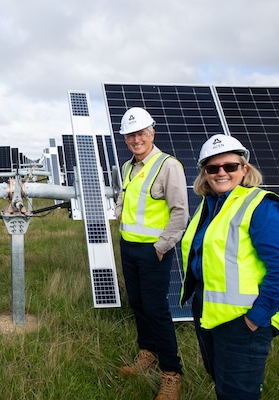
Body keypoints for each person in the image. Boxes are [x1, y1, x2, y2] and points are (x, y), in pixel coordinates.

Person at [180, 134, 279, 399]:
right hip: (209, 312)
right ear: (205, 173)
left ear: (244, 169)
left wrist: (255, 318)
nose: (221, 173)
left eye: (230, 166)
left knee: (238, 393)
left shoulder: (261, 206)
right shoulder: (210, 206)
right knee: (222, 382)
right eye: (213, 168)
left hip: (243, 321)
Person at [115, 107, 188, 400]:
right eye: (130, 135)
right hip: (128, 246)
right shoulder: (126, 166)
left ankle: (172, 373)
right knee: (137, 303)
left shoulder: (168, 165)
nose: (136, 139)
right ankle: (148, 353)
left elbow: (180, 212)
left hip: (154, 251)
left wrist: (161, 247)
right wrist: (119, 214)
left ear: (151, 133)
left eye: (141, 133)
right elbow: (124, 195)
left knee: (156, 309)